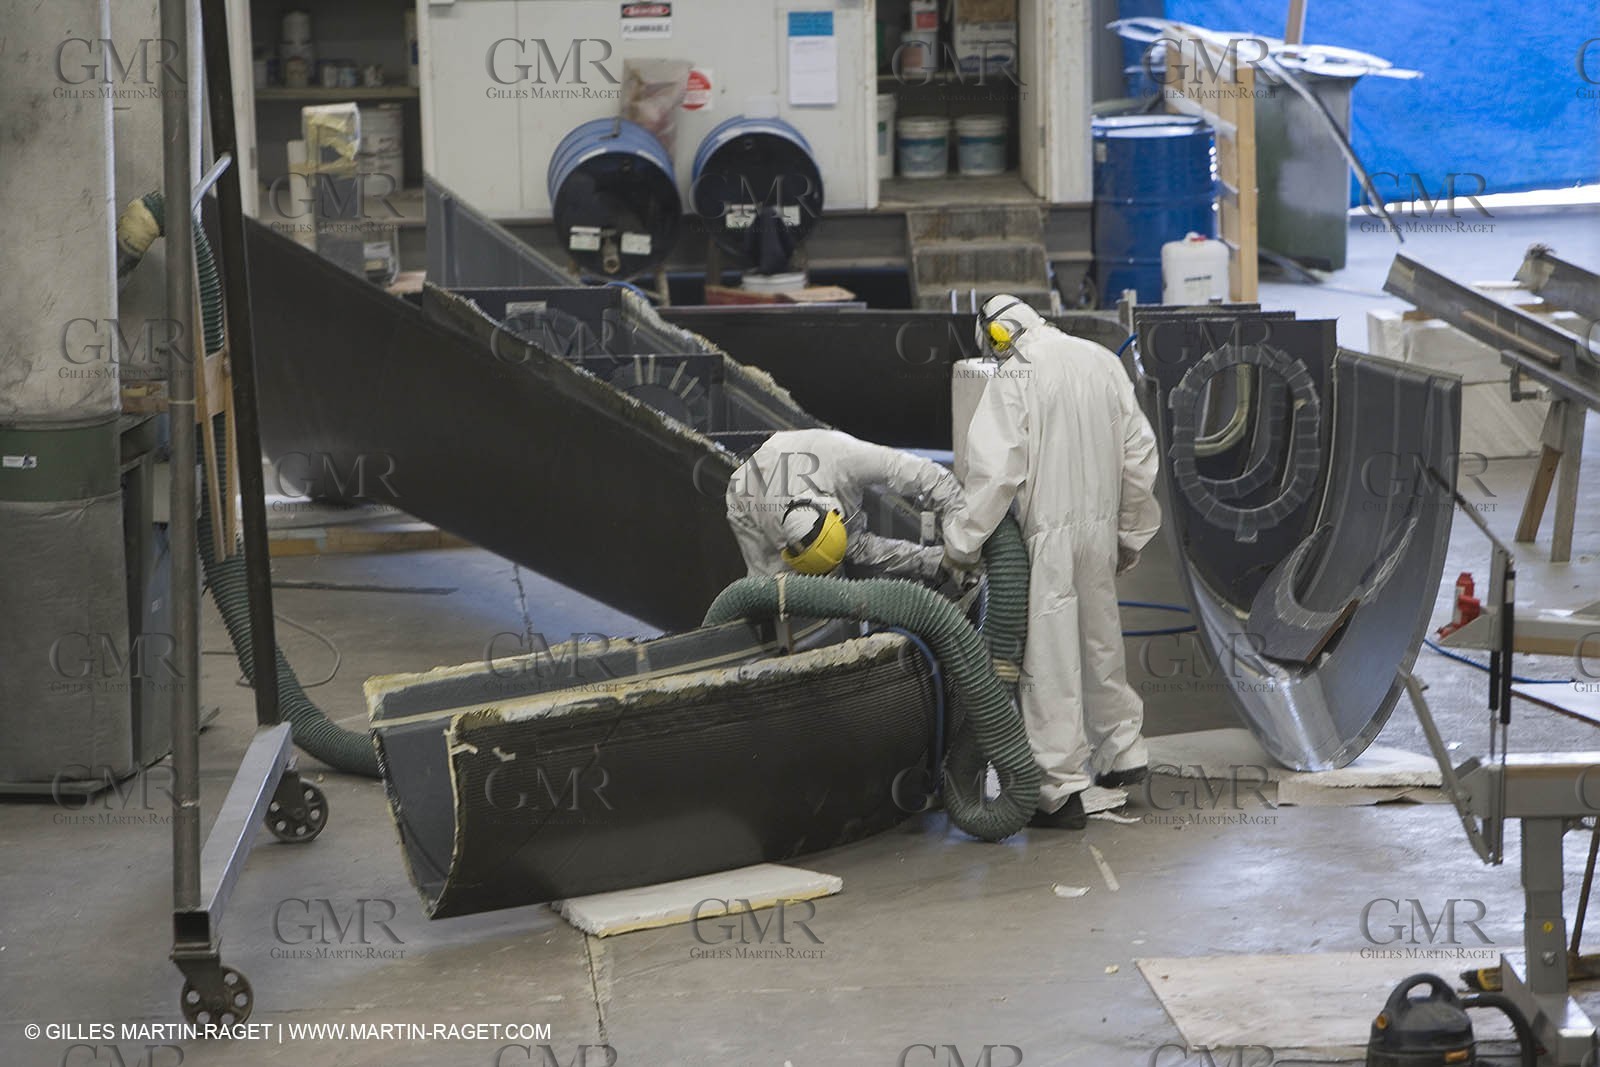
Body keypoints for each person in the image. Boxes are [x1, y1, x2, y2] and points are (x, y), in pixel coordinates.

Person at [943, 294, 1161, 830]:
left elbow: (996, 475)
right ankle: (1123, 750)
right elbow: (1140, 454)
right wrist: (1130, 531)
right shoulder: (1100, 360)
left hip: (1049, 535)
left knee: (1051, 661)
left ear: (997, 337)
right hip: (1099, 528)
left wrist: (961, 543)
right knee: (1100, 640)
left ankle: (1059, 790)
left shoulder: (1014, 375)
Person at [725, 428, 966, 581]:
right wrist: (931, 560)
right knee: (776, 590)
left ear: (836, 513)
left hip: (810, 453)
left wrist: (962, 547)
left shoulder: (846, 457)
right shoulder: (752, 498)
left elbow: (932, 477)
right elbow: (858, 548)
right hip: (747, 490)